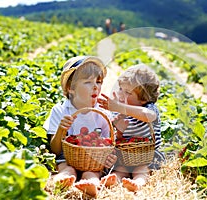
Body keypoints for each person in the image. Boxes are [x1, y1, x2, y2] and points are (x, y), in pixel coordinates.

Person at [43, 56, 117, 197]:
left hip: (93, 162)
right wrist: (61, 130)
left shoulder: (103, 114)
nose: (95, 86)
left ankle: (91, 185)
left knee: (92, 173)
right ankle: (62, 180)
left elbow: (108, 145)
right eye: (88, 82)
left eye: (99, 82)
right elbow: (55, 150)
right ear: (71, 88)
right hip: (66, 158)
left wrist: (109, 157)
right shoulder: (60, 110)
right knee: (66, 169)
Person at [97, 64, 166, 192]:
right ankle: (114, 180)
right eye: (121, 89)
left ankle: (138, 183)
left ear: (144, 99)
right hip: (125, 157)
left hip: (147, 157)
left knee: (141, 171)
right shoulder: (119, 113)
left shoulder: (149, 109)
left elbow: (148, 116)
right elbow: (117, 139)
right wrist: (119, 130)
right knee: (120, 170)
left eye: (128, 92)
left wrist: (120, 107)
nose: (122, 94)